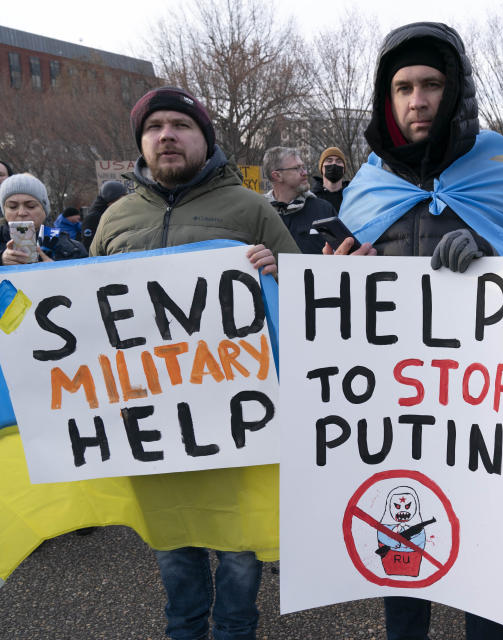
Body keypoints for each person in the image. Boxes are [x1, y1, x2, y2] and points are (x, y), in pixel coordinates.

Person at [335, 21, 503, 640]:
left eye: (433, 84)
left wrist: (490, 251)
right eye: (403, 87)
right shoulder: (367, 184)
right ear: (385, 99)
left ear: (457, 89)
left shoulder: (495, 161)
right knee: (398, 551)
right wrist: (339, 279)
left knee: (483, 559)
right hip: (394, 407)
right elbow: (345, 302)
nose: (418, 100)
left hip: (475, 407)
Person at [90, 86, 300, 640]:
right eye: (154, 125)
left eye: (180, 125)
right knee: (175, 553)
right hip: (152, 426)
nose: (167, 134)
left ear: (204, 139)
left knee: (238, 553)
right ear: (141, 142)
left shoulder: (251, 208)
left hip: (240, 420)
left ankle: (235, 629)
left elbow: (305, 293)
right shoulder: (114, 219)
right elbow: (87, 315)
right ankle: (184, 629)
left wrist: (280, 271)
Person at [262, 146, 336, 253]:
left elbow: (345, 254)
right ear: (277, 176)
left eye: (303, 167)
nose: (305, 173)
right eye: (297, 168)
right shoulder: (259, 212)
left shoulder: (324, 209)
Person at [1, 173, 87, 264]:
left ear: (44, 210)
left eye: (31, 206)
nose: (21, 213)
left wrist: (57, 272)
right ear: (4, 211)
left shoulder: (72, 249)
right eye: (12, 206)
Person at [81, 180, 127, 249]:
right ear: (112, 198)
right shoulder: (93, 218)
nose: (123, 202)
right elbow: (88, 245)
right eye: (121, 198)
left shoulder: (116, 212)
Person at [311, 146, 350, 212]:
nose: (334, 163)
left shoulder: (351, 196)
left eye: (339, 161)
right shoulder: (312, 199)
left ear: (344, 169)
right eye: (329, 161)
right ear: (321, 168)